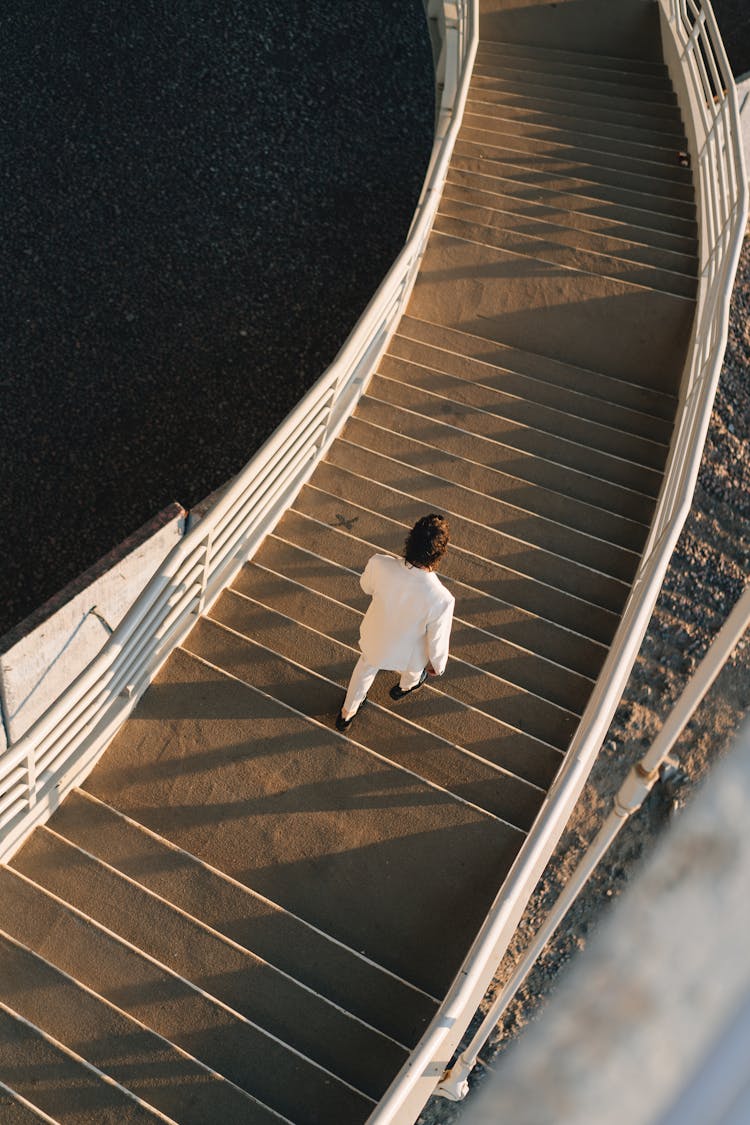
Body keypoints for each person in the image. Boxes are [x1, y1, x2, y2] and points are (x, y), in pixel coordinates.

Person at [336, 513, 455, 733]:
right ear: (439, 554)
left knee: (365, 668)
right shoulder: (442, 599)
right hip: (409, 655)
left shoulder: (379, 563)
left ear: (410, 540)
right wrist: (437, 665)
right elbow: (437, 640)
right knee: (415, 668)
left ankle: (346, 713)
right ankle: (404, 687)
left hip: (375, 639)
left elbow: (366, 586)